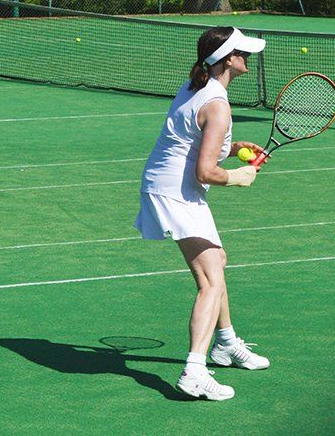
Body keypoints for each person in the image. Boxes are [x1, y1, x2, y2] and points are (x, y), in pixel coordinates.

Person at [134, 26, 268, 401]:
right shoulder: (218, 105)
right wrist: (239, 177)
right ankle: (194, 371)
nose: (248, 57)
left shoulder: (198, 86)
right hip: (175, 193)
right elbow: (205, 171)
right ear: (228, 60)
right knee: (210, 280)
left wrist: (233, 146)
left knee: (217, 262)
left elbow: (191, 144)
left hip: (171, 187)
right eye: (243, 52)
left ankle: (225, 344)